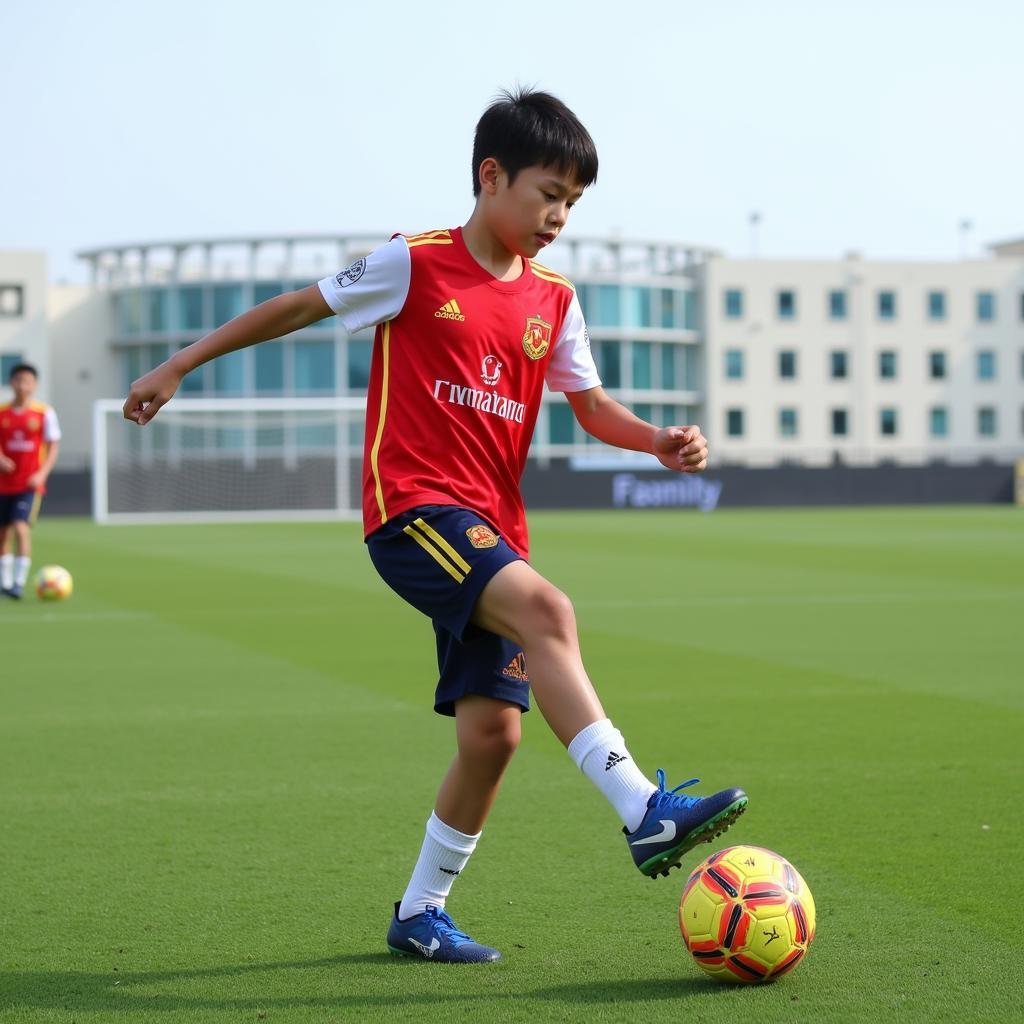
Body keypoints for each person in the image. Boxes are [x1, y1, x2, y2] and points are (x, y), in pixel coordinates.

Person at [123, 88, 747, 963]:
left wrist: (656, 442)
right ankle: (643, 809)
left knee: (493, 735)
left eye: (574, 200)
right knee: (551, 611)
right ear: (491, 178)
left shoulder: (553, 301)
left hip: (492, 529)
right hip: (412, 511)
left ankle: (419, 913)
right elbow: (298, 306)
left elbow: (591, 405)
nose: (559, 215)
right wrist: (181, 361)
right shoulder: (413, 261)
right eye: (547, 192)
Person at [1, 363, 61, 599]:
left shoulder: (44, 413)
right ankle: (4, 582)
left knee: (20, 526)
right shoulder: (2, 412)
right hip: (3, 482)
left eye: (27, 381)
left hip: (28, 484)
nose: (22, 386)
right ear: (11, 383)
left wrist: (41, 474)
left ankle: (18, 582)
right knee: (2, 533)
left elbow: (53, 445)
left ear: (34, 385)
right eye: (18, 381)